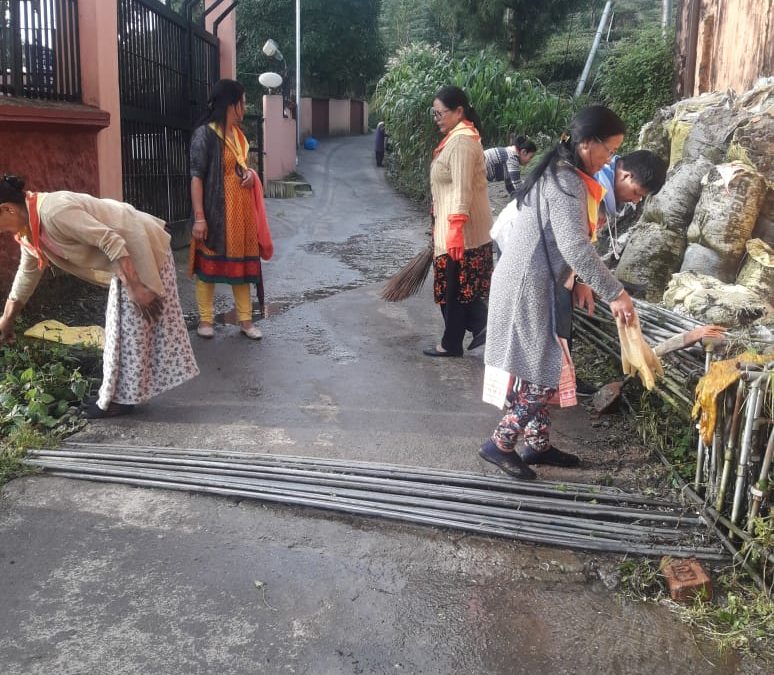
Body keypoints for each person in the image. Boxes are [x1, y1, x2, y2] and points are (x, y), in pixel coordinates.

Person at [479, 105, 636, 479]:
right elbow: (575, 246)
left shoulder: (565, 175)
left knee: (540, 366)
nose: (610, 159)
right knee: (544, 374)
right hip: (526, 288)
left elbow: (566, 243)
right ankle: (499, 444)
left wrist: (581, 281)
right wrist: (615, 293)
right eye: (610, 150)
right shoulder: (566, 181)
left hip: (532, 283)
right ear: (587, 144)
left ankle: (536, 445)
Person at [0, 175, 199, 418]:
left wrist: (136, 287)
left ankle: (117, 400)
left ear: (7, 209)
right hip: (126, 257)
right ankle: (120, 396)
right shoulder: (29, 231)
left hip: (138, 246)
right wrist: (7, 321)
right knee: (127, 332)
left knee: (126, 332)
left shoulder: (54, 212)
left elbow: (110, 240)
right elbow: (26, 276)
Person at [189, 78, 271, 340]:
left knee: (243, 270)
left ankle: (246, 322)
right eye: (242, 102)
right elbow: (196, 177)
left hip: (241, 216)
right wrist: (199, 218)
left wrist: (250, 175)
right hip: (215, 213)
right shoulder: (205, 134)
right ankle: (205, 320)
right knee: (207, 270)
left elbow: (241, 166)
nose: (245, 107)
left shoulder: (238, 135)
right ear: (231, 104)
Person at [423, 85, 493, 358]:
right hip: (453, 229)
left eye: (441, 113)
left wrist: (454, 228)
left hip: (463, 232)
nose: (437, 118)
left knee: (454, 291)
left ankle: (464, 336)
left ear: (459, 111)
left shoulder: (463, 141)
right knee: (454, 291)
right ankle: (467, 334)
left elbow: (463, 189)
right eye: (435, 113)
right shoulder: (456, 138)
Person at [595, 150, 668, 259]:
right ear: (626, 176)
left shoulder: (604, 201)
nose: (635, 201)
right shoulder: (586, 187)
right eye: (636, 193)